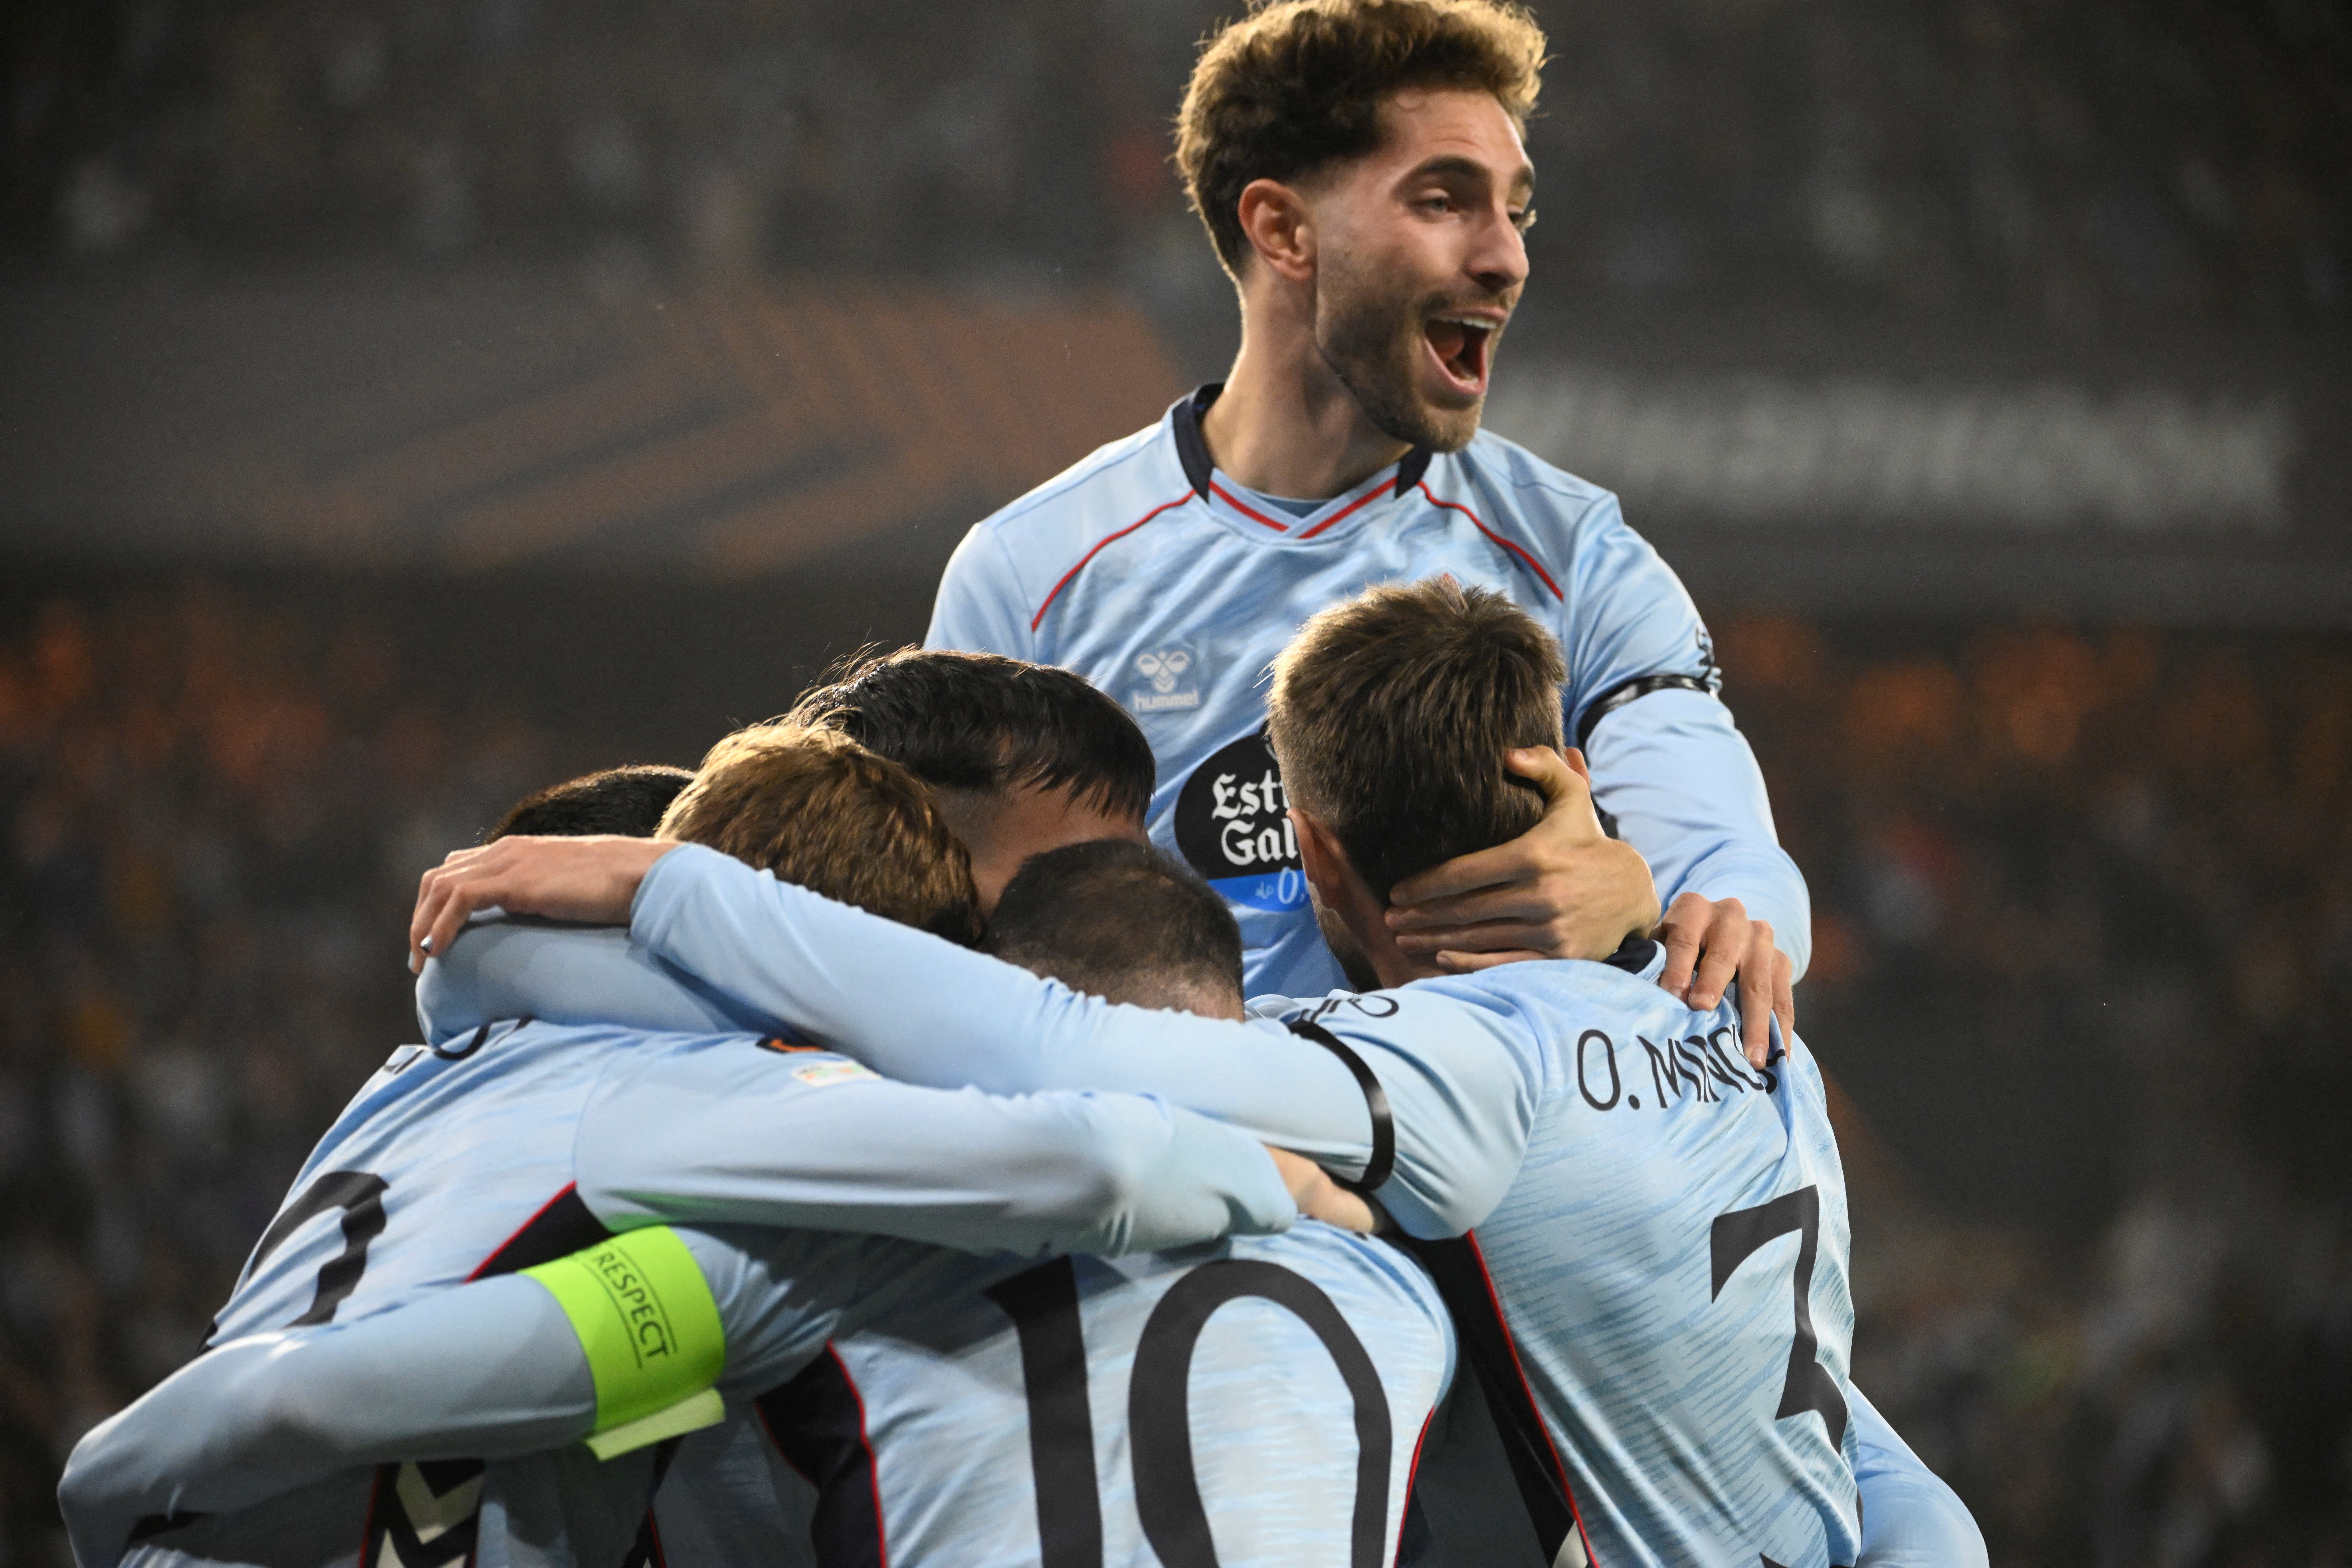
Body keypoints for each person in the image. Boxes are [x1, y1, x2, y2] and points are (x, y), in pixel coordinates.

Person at [411, 582, 1984, 1567]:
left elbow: (1079, 1078)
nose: (1098, 936)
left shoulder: (1359, 1184)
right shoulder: (755, 1195)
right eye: (1034, 908)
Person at [62, 725, 1327, 1568]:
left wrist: (113, 1509)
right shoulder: (717, 1106)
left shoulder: (453, 1055)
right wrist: (1279, 1167)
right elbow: (1094, 1163)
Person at [926, 0, 1801, 1064]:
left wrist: (1651, 893)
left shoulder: (1581, 561)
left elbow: (1734, 877)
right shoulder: (1029, 576)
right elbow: (945, 950)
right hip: (1166, 1187)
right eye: (1445, 201)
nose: (1507, 259)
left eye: (1517, 213)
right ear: (1282, 230)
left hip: (1478, 1199)